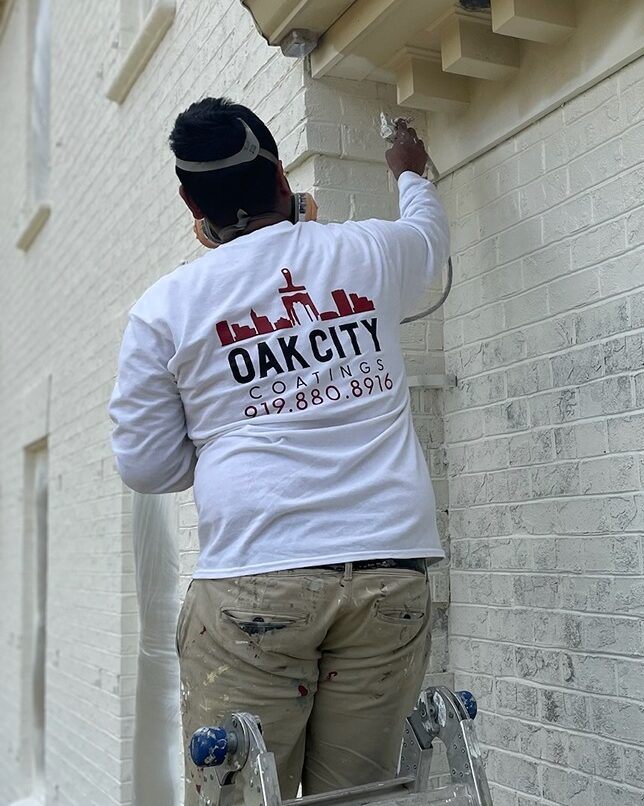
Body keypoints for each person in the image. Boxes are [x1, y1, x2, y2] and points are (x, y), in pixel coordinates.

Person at [108, 97, 448, 803]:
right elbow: (428, 242)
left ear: (189, 201)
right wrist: (410, 172)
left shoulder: (167, 308)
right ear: (281, 176)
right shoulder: (364, 252)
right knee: (359, 798)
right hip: (389, 575)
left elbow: (146, 464)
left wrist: (231, 435)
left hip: (255, 584)